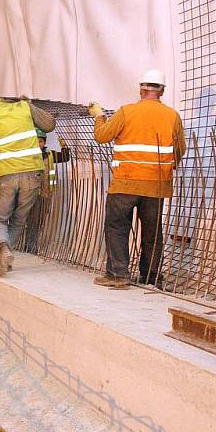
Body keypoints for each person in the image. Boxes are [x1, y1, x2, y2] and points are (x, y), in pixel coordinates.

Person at [88, 68, 186, 289]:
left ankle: (118, 275)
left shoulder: (127, 112)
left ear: (141, 89)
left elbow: (102, 136)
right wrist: (163, 170)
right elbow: (180, 149)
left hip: (125, 182)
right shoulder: (172, 116)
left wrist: (98, 116)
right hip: (156, 185)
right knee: (152, 232)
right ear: (162, 90)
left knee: (117, 227)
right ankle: (151, 278)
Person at [0, 96, 56, 276]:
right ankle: (5, 257)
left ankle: (3, 249)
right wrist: (29, 105)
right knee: (19, 219)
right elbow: (49, 124)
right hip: (32, 172)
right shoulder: (24, 108)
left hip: (6, 175)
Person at [36, 129, 71, 195]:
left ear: (44, 142)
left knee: (45, 204)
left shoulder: (49, 154)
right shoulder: (27, 156)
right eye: (35, 141)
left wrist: (64, 146)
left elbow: (65, 157)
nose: (38, 144)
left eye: (40, 141)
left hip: (46, 191)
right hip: (31, 192)